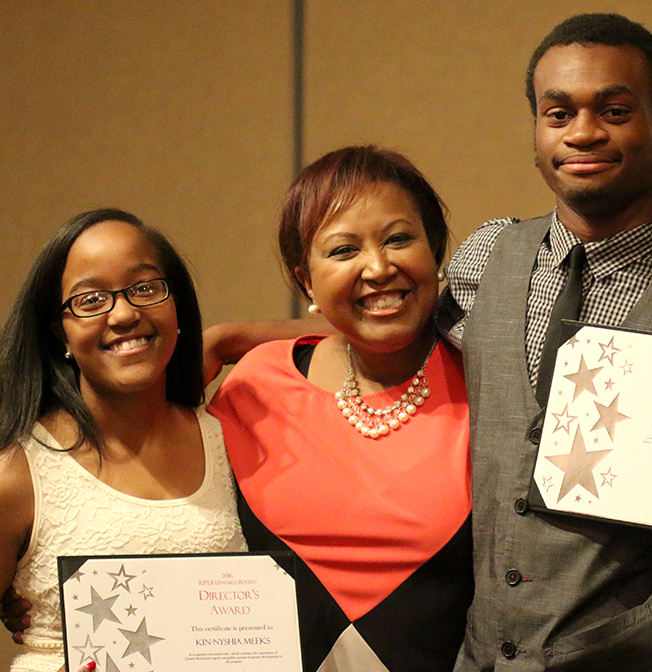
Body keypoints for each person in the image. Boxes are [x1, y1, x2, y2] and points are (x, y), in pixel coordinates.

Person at [435, 13, 652, 672]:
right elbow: (399, 349)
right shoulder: (484, 259)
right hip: (484, 655)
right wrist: (255, 338)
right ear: (535, 130)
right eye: (557, 114)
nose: (583, 132)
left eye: (614, 110)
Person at [207, 146, 473, 672]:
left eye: (399, 239)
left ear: (437, 250)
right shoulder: (255, 387)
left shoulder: (491, 381)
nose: (378, 267)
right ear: (306, 278)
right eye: (343, 250)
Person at [0, 209, 245, 672]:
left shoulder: (231, 442)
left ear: (177, 307)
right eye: (90, 300)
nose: (125, 313)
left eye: (145, 288)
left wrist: (226, 338)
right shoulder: (19, 470)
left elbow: (353, 337)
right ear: (61, 333)